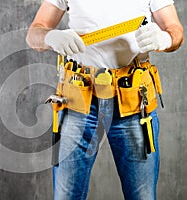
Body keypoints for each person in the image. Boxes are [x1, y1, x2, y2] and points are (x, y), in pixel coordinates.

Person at [26, 0, 184, 200]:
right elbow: (34, 34)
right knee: (66, 196)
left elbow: (175, 30)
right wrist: (50, 36)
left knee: (142, 196)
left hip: (133, 101)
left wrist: (165, 39)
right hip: (78, 101)